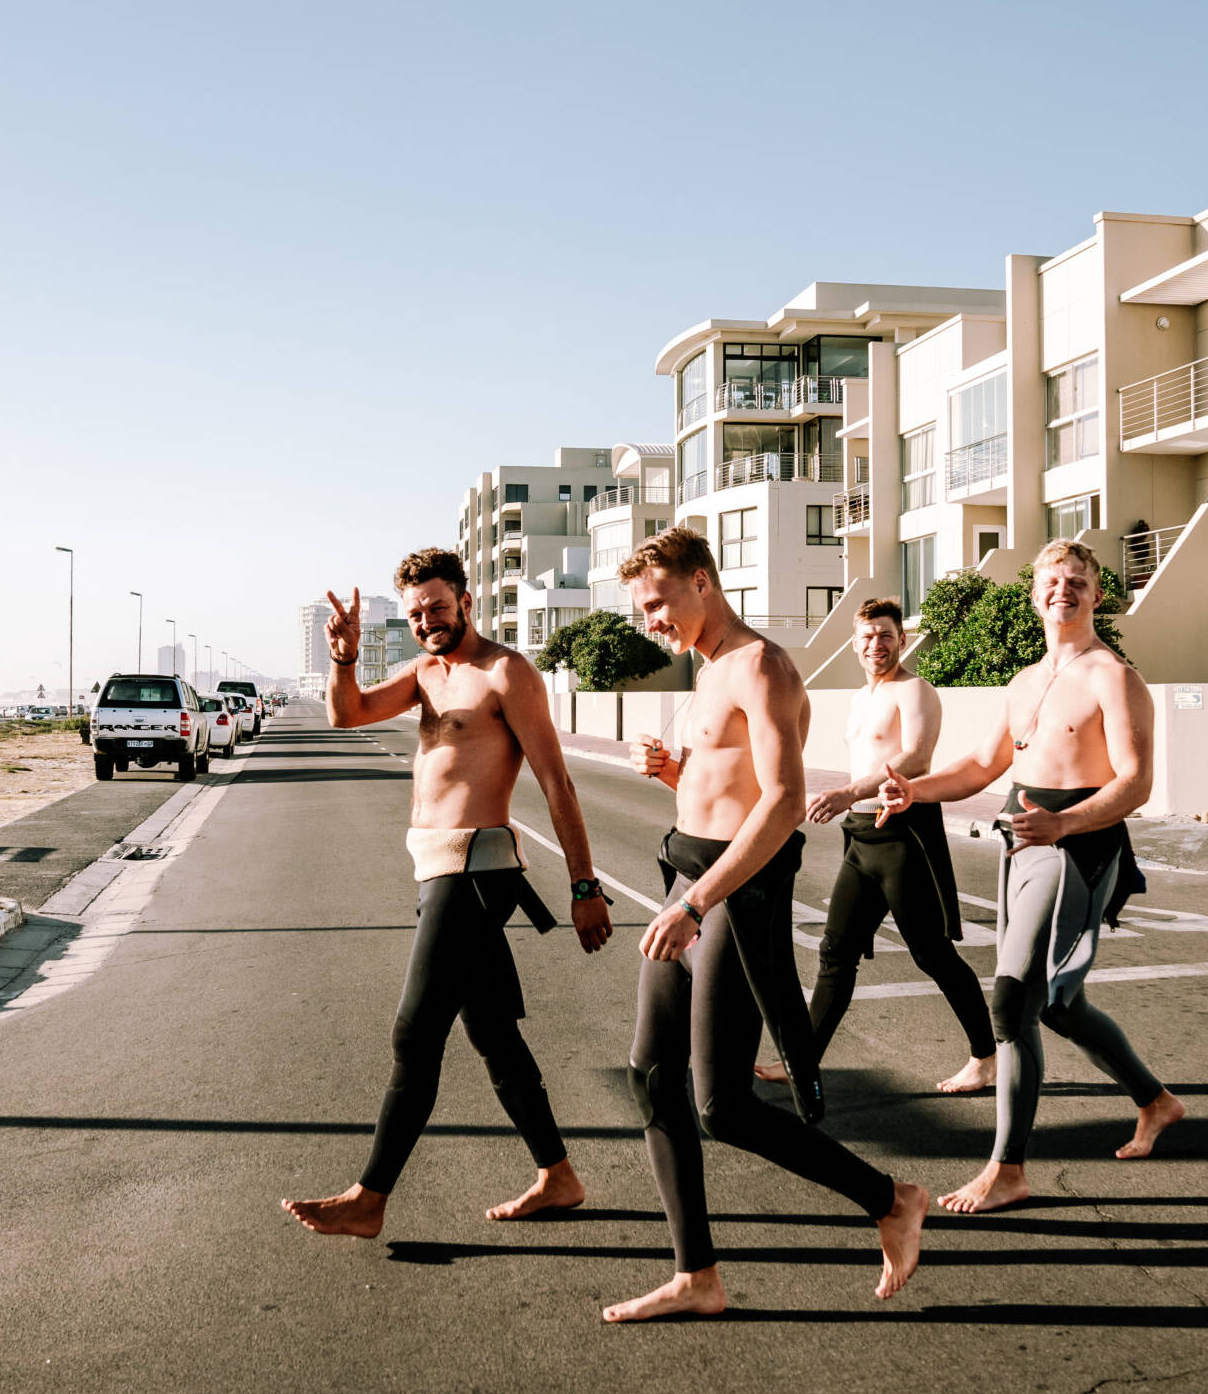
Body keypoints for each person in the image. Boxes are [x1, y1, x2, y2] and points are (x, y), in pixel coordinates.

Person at [601, 528, 928, 1323]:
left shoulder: (763, 667)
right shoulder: (708, 671)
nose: (650, 621)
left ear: (702, 582)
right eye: (640, 609)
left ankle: (889, 1198)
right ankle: (695, 1275)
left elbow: (781, 801)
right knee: (652, 1076)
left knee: (724, 1106)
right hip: (691, 877)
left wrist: (694, 902)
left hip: (730, 897)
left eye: (657, 603)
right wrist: (674, 774)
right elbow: (729, 786)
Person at [281, 547, 613, 1240]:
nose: (426, 620)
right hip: (435, 868)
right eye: (413, 613)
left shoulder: (504, 672)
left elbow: (556, 781)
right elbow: (349, 715)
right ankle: (557, 1175)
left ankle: (369, 1197)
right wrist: (343, 658)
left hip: (475, 869)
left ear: (465, 598)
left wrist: (585, 884)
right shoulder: (425, 673)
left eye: (436, 605)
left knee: (414, 1032)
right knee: (492, 1031)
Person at [878, 539, 1184, 1213]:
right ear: (1034, 594)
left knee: (1012, 999)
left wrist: (1067, 825)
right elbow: (983, 766)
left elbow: (1135, 781)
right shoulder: (1023, 680)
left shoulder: (1113, 675)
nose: (1062, 592)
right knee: (1055, 1003)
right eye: (1051, 582)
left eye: (1076, 582)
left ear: (1095, 594)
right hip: (1023, 834)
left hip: (1079, 841)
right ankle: (1155, 1101)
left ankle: (1007, 1168)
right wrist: (915, 791)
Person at [755, 597, 996, 1094]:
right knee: (835, 951)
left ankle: (985, 1057)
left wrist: (848, 793)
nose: (876, 645)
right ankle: (804, 1061)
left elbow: (917, 757)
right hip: (860, 838)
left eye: (885, 635)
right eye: (866, 637)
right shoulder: (857, 699)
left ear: (901, 639)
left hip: (904, 833)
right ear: (854, 644)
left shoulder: (916, 691)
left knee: (932, 953)